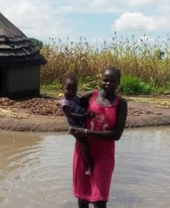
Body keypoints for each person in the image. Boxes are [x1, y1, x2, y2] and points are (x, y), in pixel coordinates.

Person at [69, 66, 128, 208]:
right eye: (105, 80)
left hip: (104, 153)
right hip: (83, 150)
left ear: (118, 82)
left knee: (99, 199)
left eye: (112, 81)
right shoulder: (91, 96)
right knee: (82, 197)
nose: (108, 84)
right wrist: (70, 123)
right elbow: (71, 107)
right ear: (101, 80)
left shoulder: (121, 103)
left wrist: (85, 132)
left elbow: (116, 135)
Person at [61, 75, 95, 175]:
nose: (71, 91)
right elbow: (70, 115)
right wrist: (85, 116)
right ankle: (90, 166)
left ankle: (87, 163)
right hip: (75, 128)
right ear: (62, 89)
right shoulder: (65, 102)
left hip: (81, 123)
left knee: (88, 144)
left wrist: (95, 92)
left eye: (74, 89)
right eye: (68, 89)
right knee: (85, 146)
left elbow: (82, 99)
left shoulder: (74, 98)